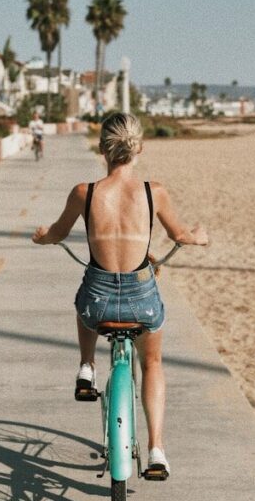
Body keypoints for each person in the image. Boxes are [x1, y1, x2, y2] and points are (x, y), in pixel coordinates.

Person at [32, 111, 208, 479]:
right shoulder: (154, 192)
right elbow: (180, 235)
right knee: (153, 362)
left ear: (102, 149)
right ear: (139, 148)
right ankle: (156, 449)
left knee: (84, 301)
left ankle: (86, 366)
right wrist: (199, 236)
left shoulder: (84, 193)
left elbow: (58, 234)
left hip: (98, 303)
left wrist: (43, 236)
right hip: (141, 299)